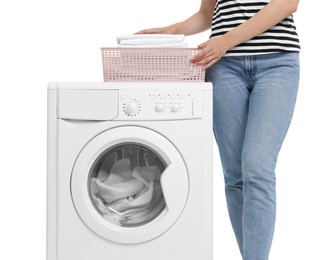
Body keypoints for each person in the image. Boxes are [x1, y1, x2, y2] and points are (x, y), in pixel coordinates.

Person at [137, 0, 300, 259]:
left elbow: (287, 4)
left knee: (257, 168)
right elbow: (206, 14)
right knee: (235, 176)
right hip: (224, 69)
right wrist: (171, 30)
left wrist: (226, 41)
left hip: (276, 64)